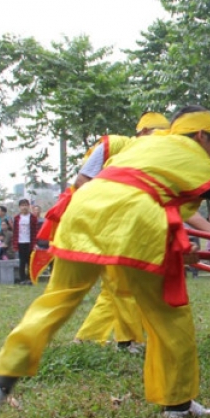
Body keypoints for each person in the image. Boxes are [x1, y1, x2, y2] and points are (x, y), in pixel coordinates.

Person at [0, 105, 210, 418]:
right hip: (134, 224)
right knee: (168, 315)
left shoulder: (147, 147)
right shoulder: (202, 164)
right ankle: (177, 406)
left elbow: (149, 190)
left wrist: (200, 236)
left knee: (55, 302)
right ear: (202, 136)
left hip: (82, 210)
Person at [72, 112, 171, 349]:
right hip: (103, 222)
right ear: (144, 132)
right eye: (159, 135)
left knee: (116, 283)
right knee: (126, 278)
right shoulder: (114, 146)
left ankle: (88, 338)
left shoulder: (150, 159)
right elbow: (81, 182)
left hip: (128, 226)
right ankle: (127, 341)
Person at [12, 199, 39, 285]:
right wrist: (15, 244)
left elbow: (35, 231)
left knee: (30, 261)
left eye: (25, 205)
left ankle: (30, 278)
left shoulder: (33, 218)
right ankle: (22, 279)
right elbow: (15, 232)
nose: (24, 207)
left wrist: (35, 243)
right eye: (22, 205)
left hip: (30, 242)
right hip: (20, 242)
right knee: (22, 261)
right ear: (19, 207)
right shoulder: (17, 218)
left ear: (28, 206)